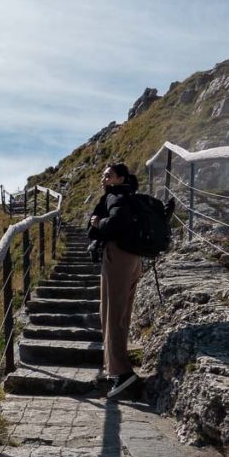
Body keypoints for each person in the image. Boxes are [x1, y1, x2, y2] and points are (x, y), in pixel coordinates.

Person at [88, 163, 141, 398]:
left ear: (120, 178)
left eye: (108, 175)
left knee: (111, 313)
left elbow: (116, 223)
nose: (104, 179)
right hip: (133, 257)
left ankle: (122, 372)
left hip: (117, 256)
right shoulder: (131, 196)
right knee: (120, 312)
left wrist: (98, 223)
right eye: (103, 174)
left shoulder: (115, 197)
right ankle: (118, 369)